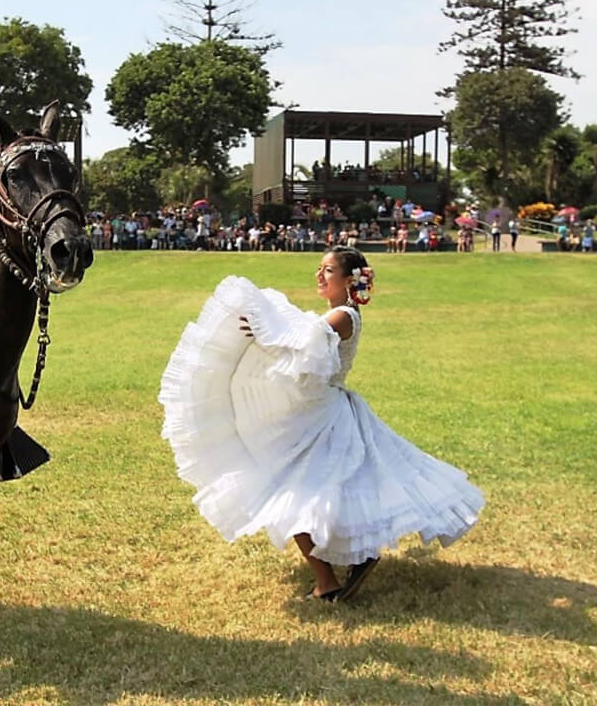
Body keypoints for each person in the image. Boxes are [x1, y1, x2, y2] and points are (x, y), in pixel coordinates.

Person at [159, 246, 484, 602]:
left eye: (328, 270)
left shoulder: (343, 317)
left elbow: (299, 339)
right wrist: (260, 333)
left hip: (322, 416)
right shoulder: (333, 316)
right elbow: (296, 343)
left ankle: (329, 580)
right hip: (319, 410)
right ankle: (354, 558)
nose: (319, 275)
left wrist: (261, 326)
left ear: (349, 280)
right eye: (320, 268)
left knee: (291, 491)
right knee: (319, 489)